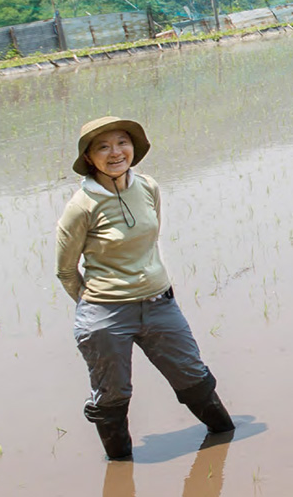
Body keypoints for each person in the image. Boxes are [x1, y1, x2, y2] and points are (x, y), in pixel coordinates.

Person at [55, 117, 233, 462]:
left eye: (122, 142)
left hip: (160, 305)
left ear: (133, 148)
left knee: (194, 378)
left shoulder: (148, 187)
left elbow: (151, 240)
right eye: (103, 147)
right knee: (112, 397)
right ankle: (120, 465)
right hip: (106, 315)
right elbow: (65, 271)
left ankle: (223, 447)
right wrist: (99, 305)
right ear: (90, 158)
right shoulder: (82, 206)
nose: (115, 152)